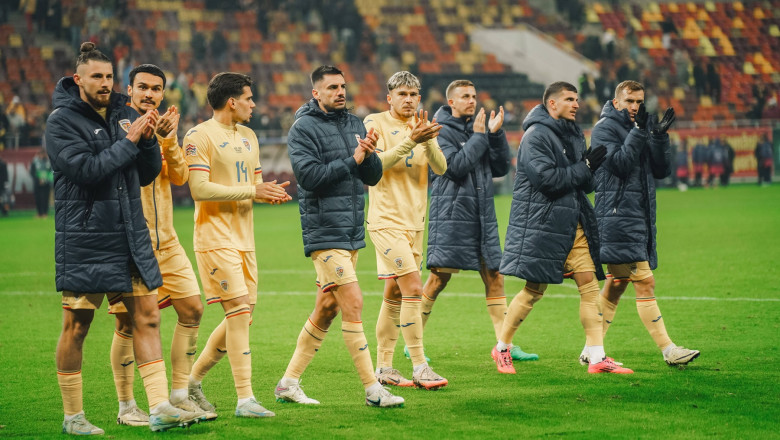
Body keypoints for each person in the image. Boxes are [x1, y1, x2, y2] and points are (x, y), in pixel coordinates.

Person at [46, 42, 204, 435]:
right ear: (78, 78)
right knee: (77, 324)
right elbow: (87, 171)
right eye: (96, 76)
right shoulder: (62, 121)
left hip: (129, 234)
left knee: (147, 317)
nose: (104, 83)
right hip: (86, 236)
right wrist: (130, 141)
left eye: (109, 76)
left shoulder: (122, 115)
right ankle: (73, 417)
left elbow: (147, 173)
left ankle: (159, 407)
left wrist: (151, 140)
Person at [276, 65, 404, 408]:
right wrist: (353, 158)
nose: (341, 92)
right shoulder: (302, 128)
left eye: (343, 86)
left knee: (327, 309)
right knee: (354, 302)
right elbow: (310, 177)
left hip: (349, 232)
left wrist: (370, 155)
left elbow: (373, 177)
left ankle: (288, 382)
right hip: (323, 232)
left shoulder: (354, 123)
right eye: (332, 87)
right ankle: (372, 388)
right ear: (315, 93)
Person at [105, 64, 216, 426]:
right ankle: (127, 407)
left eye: (156, 89)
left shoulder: (165, 129)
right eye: (143, 88)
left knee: (192, 310)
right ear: (129, 89)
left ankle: (179, 396)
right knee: (127, 323)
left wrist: (168, 139)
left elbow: (182, 177)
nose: (149, 94)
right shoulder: (116, 125)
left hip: (167, 241)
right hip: (130, 242)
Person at [496, 81, 630, 375]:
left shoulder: (574, 134)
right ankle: (502, 348)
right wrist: (584, 167)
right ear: (552, 104)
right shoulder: (535, 136)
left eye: (577, 99)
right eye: (570, 99)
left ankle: (597, 356)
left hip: (574, 220)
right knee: (533, 291)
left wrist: (591, 168)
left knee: (589, 286)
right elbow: (547, 181)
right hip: (543, 223)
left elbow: (586, 183)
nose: (576, 104)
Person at [183, 72, 291, 418]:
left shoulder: (248, 136)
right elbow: (199, 188)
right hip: (214, 236)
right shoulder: (199, 136)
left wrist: (267, 193)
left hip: (245, 238)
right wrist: (252, 191)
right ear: (232, 101)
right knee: (239, 311)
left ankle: (191, 381)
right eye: (249, 97)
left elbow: (253, 183)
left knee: (243, 317)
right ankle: (245, 400)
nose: (253, 104)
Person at [423, 79, 538, 362]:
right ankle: (412, 338)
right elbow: (455, 167)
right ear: (451, 102)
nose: (472, 100)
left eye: (474, 96)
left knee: (494, 277)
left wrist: (495, 135)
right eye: (465, 96)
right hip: (452, 216)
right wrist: (479, 136)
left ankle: (504, 343)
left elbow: (499, 168)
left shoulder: (479, 128)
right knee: (439, 279)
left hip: (482, 216)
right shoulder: (438, 131)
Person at [591, 80, 700, 367]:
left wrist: (660, 137)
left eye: (639, 102)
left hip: (636, 217)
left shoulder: (640, 127)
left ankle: (592, 350)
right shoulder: (604, 129)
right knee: (645, 282)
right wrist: (640, 132)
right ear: (616, 103)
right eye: (629, 101)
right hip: (616, 218)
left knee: (617, 285)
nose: (635, 107)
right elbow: (620, 164)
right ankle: (669, 350)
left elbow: (662, 171)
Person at [363, 71, 448, 389]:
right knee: (414, 287)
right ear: (390, 98)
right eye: (402, 94)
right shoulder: (375, 122)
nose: (409, 100)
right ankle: (419, 365)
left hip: (414, 222)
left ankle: (384, 367)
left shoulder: (422, 125)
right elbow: (375, 165)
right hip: (385, 221)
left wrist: (427, 141)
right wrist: (412, 140)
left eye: (414, 94)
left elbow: (441, 168)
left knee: (394, 293)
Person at [30, 148, 53, 217]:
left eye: (43, 154)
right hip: (37, 183)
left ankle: (45, 213)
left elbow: (51, 172)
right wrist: (38, 180)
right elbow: (32, 172)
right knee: (38, 198)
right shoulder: (35, 161)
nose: (42, 155)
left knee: (45, 198)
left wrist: (46, 180)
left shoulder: (48, 162)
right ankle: (39, 213)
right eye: (41, 154)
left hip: (46, 183)